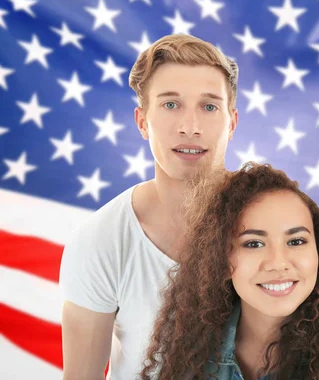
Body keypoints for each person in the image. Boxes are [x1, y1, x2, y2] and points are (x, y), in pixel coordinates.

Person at [59, 34, 239, 380]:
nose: (191, 127)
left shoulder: (275, 222)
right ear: (142, 122)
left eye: (209, 106)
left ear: (232, 122)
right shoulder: (102, 240)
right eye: (171, 104)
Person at [140, 163, 319, 380]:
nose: (278, 263)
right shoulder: (190, 348)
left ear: (318, 253)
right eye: (254, 244)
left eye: (296, 241)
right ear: (222, 259)